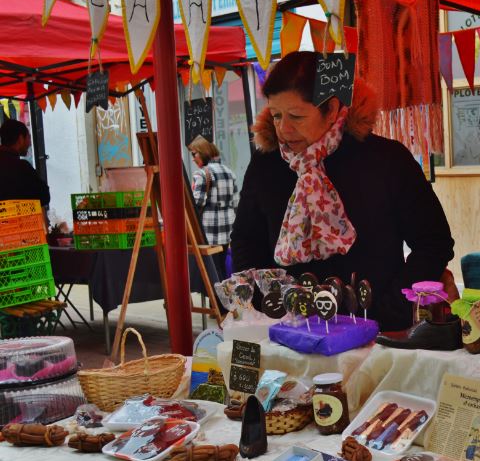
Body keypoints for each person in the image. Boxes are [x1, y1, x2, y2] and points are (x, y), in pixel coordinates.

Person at [231, 51, 454, 332]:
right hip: (291, 332)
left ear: (333, 109)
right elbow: (245, 241)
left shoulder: (386, 159)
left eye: (296, 116)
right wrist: (268, 307)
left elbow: (433, 242)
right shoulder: (267, 165)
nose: (283, 129)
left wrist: (390, 309)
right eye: (276, 116)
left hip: (378, 331)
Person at [189, 136, 238, 280]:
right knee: (221, 268)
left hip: (209, 231)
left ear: (203, 152)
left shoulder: (202, 174)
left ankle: (216, 302)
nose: (193, 158)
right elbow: (235, 202)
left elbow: (197, 202)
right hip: (227, 230)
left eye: (194, 154)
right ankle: (223, 300)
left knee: (212, 273)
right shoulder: (230, 172)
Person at [0, 119, 50, 208]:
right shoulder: (22, 168)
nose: (30, 143)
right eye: (28, 137)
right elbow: (44, 196)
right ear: (20, 139)